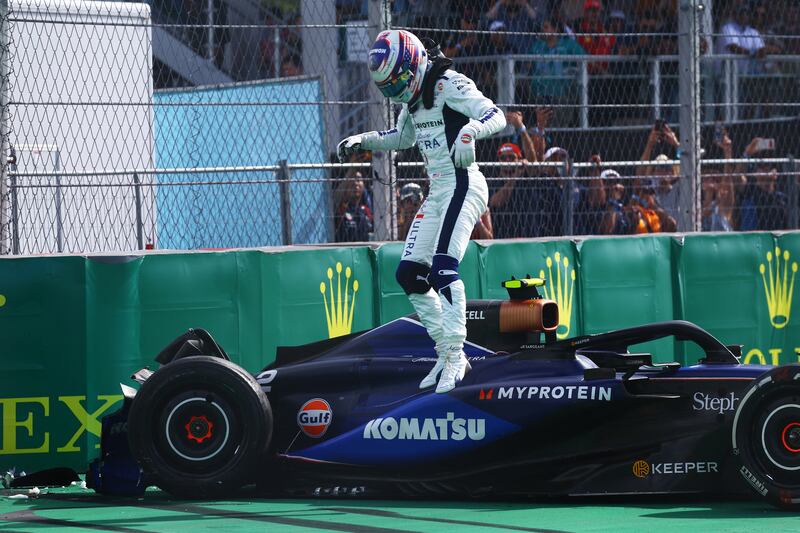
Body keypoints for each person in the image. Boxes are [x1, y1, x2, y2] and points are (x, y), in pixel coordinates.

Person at [337, 31, 506, 393]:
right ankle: (446, 353)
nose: (396, 91)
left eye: (397, 82)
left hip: (464, 183)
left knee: (443, 268)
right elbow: (403, 138)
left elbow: (495, 115)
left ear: (412, 65)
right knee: (410, 273)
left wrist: (470, 132)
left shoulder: (448, 83)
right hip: (439, 189)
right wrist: (364, 140)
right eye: (388, 86)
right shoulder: (414, 99)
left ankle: (457, 354)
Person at [333, 174, 374, 242]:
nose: (355, 183)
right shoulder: (339, 209)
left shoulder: (366, 210)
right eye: (351, 180)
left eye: (358, 180)